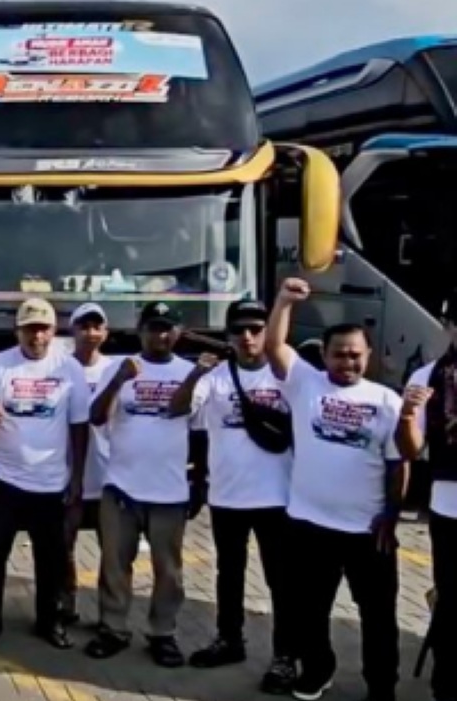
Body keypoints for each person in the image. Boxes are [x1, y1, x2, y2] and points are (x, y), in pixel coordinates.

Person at [267, 277, 404, 701]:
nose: (347, 363)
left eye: (355, 355)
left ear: (369, 357)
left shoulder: (387, 401)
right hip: (308, 524)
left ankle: (381, 686)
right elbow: (274, 347)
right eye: (339, 355)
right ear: (323, 356)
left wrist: (393, 513)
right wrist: (284, 302)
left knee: (379, 617)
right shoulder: (306, 384)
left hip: (368, 531)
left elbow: (400, 464)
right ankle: (317, 671)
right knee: (308, 611)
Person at [168, 299, 296, 693]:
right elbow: (177, 409)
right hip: (227, 496)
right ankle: (230, 640)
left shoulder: (288, 375)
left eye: (257, 329)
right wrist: (194, 374)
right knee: (229, 575)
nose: (248, 336)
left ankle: (285, 657)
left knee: (282, 581)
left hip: (278, 497)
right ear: (228, 336)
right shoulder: (215, 377)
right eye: (239, 330)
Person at [0, 299, 89, 650]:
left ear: (54, 331)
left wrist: (78, 477)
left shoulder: (69, 368)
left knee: (49, 560)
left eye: (44, 328)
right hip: (3, 480)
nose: (37, 336)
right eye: (30, 329)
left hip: (51, 482)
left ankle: (48, 622)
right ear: (18, 330)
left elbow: (79, 426)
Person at [86, 301, 196, 667]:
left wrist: (201, 482)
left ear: (177, 333)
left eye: (166, 328)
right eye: (152, 327)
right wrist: (118, 380)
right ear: (140, 331)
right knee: (115, 564)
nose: (159, 335)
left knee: (169, 570)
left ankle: (163, 633)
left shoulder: (190, 371)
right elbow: (97, 416)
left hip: (168, 490)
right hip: (121, 486)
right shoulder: (121, 367)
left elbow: (196, 427)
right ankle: (113, 628)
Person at [396, 289, 457, 701]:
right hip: (450, 502)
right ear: (449, 325)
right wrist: (406, 415)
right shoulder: (428, 378)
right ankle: (447, 684)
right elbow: (412, 450)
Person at [60, 303, 114, 626]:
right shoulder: (61, 369)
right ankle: (65, 604)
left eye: (97, 326)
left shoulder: (117, 368)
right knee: (63, 547)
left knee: (113, 553)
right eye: (83, 326)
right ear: (72, 330)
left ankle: (109, 614)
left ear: (105, 332)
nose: (90, 333)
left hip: (108, 474)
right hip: (68, 473)